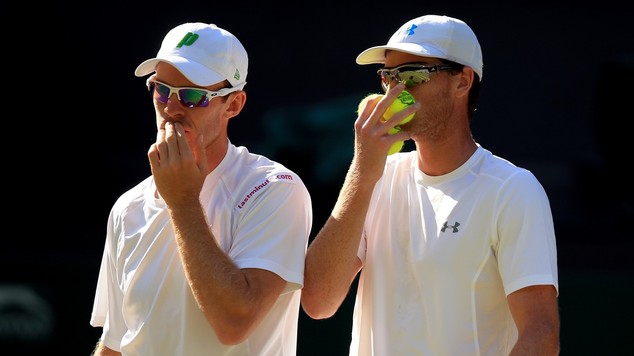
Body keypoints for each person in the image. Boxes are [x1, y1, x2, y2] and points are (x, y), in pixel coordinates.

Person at [301, 14, 560, 355]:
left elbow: (541, 335)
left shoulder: (513, 190)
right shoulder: (373, 178)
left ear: (462, 82)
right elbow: (318, 301)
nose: (395, 92)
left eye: (411, 75)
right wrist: (361, 174)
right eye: (387, 77)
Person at [90, 22, 312, 355]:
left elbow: (234, 323)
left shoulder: (274, 189)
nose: (171, 108)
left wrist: (182, 203)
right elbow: (118, 344)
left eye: (193, 96)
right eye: (162, 90)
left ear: (233, 105)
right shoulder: (128, 207)